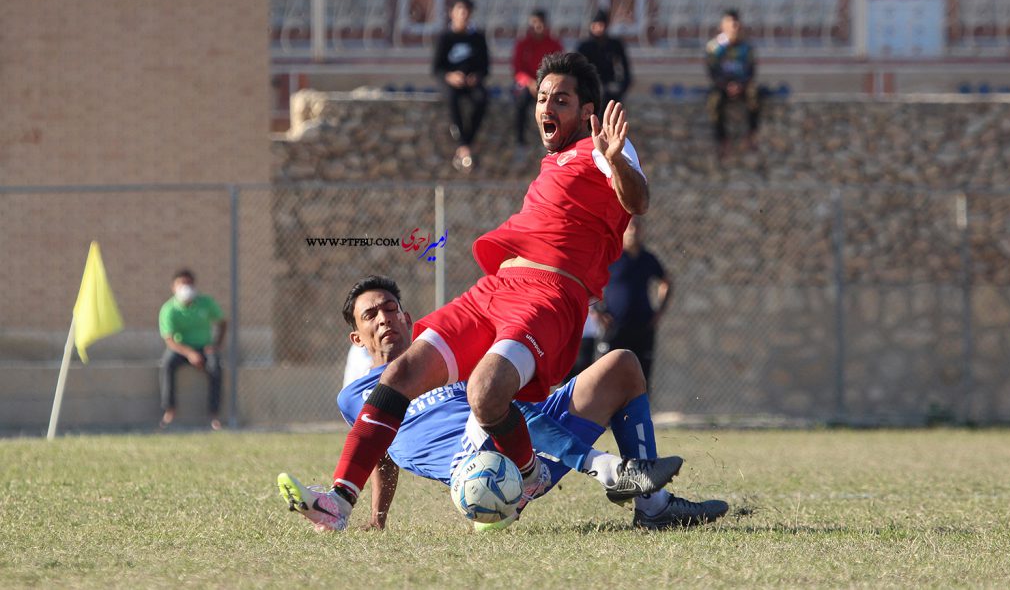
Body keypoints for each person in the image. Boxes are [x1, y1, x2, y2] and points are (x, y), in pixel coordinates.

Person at [278, 51, 650, 532]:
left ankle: (540, 476)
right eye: (541, 98)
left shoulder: (603, 149)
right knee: (400, 374)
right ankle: (339, 502)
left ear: (587, 111)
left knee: (487, 392)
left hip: (548, 295)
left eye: (561, 99)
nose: (546, 107)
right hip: (495, 289)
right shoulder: (555, 162)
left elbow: (637, 200)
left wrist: (616, 158)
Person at [278, 275, 727, 531]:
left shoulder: (443, 361)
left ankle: (654, 509)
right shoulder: (355, 396)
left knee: (623, 365)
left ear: (408, 317)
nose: (385, 318)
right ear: (357, 337)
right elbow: (376, 450)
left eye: (391, 308)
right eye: (371, 315)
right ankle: (610, 470)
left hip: (528, 433)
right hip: (484, 471)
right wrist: (378, 517)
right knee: (487, 406)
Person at [597, 217, 672, 392]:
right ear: (623, 231)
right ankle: (604, 415)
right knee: (607, 373)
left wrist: (659, 311)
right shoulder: (612, 257)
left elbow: (665, 282)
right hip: (615, 325)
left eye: (637, 227)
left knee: (642, 375)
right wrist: (599, 311)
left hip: (643, 325)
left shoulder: (648, 259)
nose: (634, 231)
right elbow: (592, 281)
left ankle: (638, 416)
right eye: (630, 227)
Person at [158, 269, 226, 430]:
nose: (186, 287)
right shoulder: (169, 309)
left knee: (215, 367)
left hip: (205, 348)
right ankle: (169, 410)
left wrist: (216, 345)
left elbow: (222, 322)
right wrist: (190, 353)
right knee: (167, 364)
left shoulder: (206, 302)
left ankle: (214, 414)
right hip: (181, 349)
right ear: (173, 287)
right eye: (182, 284)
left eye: (189, 284)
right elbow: (169, 340)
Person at [432, 0, 490, 172]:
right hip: (452, 83)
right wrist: (450, 76)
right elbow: (436, 68)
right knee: (452, 99)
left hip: (471, 82)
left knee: (481, 99)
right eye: (460, 10)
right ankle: (463, 144)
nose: (463, 15)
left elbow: (486, 66)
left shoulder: (478, 37)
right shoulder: (445, 37)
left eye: (466, 11)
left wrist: (476, 77)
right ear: (452, 13)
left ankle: (466, 143)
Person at [705, 9, 760, 159]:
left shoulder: (745, 47)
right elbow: (712, 70)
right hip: (723, 86)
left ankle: (751, 134)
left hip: (742, 85)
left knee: (754, 95)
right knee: (714, 101)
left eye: (736, 25)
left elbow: (751, 69)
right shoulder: (715, 47)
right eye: (730, 24)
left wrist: (740, 85)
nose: (733, 28)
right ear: (722, 26)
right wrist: (726, 85)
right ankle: (722, 140)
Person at [511, 9, 563, 148]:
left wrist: (544, 85)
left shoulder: (554, 44)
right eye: (534, 23)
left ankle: (553, 138)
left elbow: (558, 68)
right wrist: (529, 82)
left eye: (540, 23)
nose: (537, 27)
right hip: (528, 85)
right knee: (520, 101)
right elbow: (517, 69)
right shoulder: (523, 44)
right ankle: (520, 140)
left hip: (548, 86)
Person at [576, 9, 631, 115]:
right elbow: (578, 69)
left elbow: (625, 69)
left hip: (610, 87)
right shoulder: (584, 47)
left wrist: (622, 86)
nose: (600, 29)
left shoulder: (614, 44)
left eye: (602, 25)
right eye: (597, 25)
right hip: (590, 87)